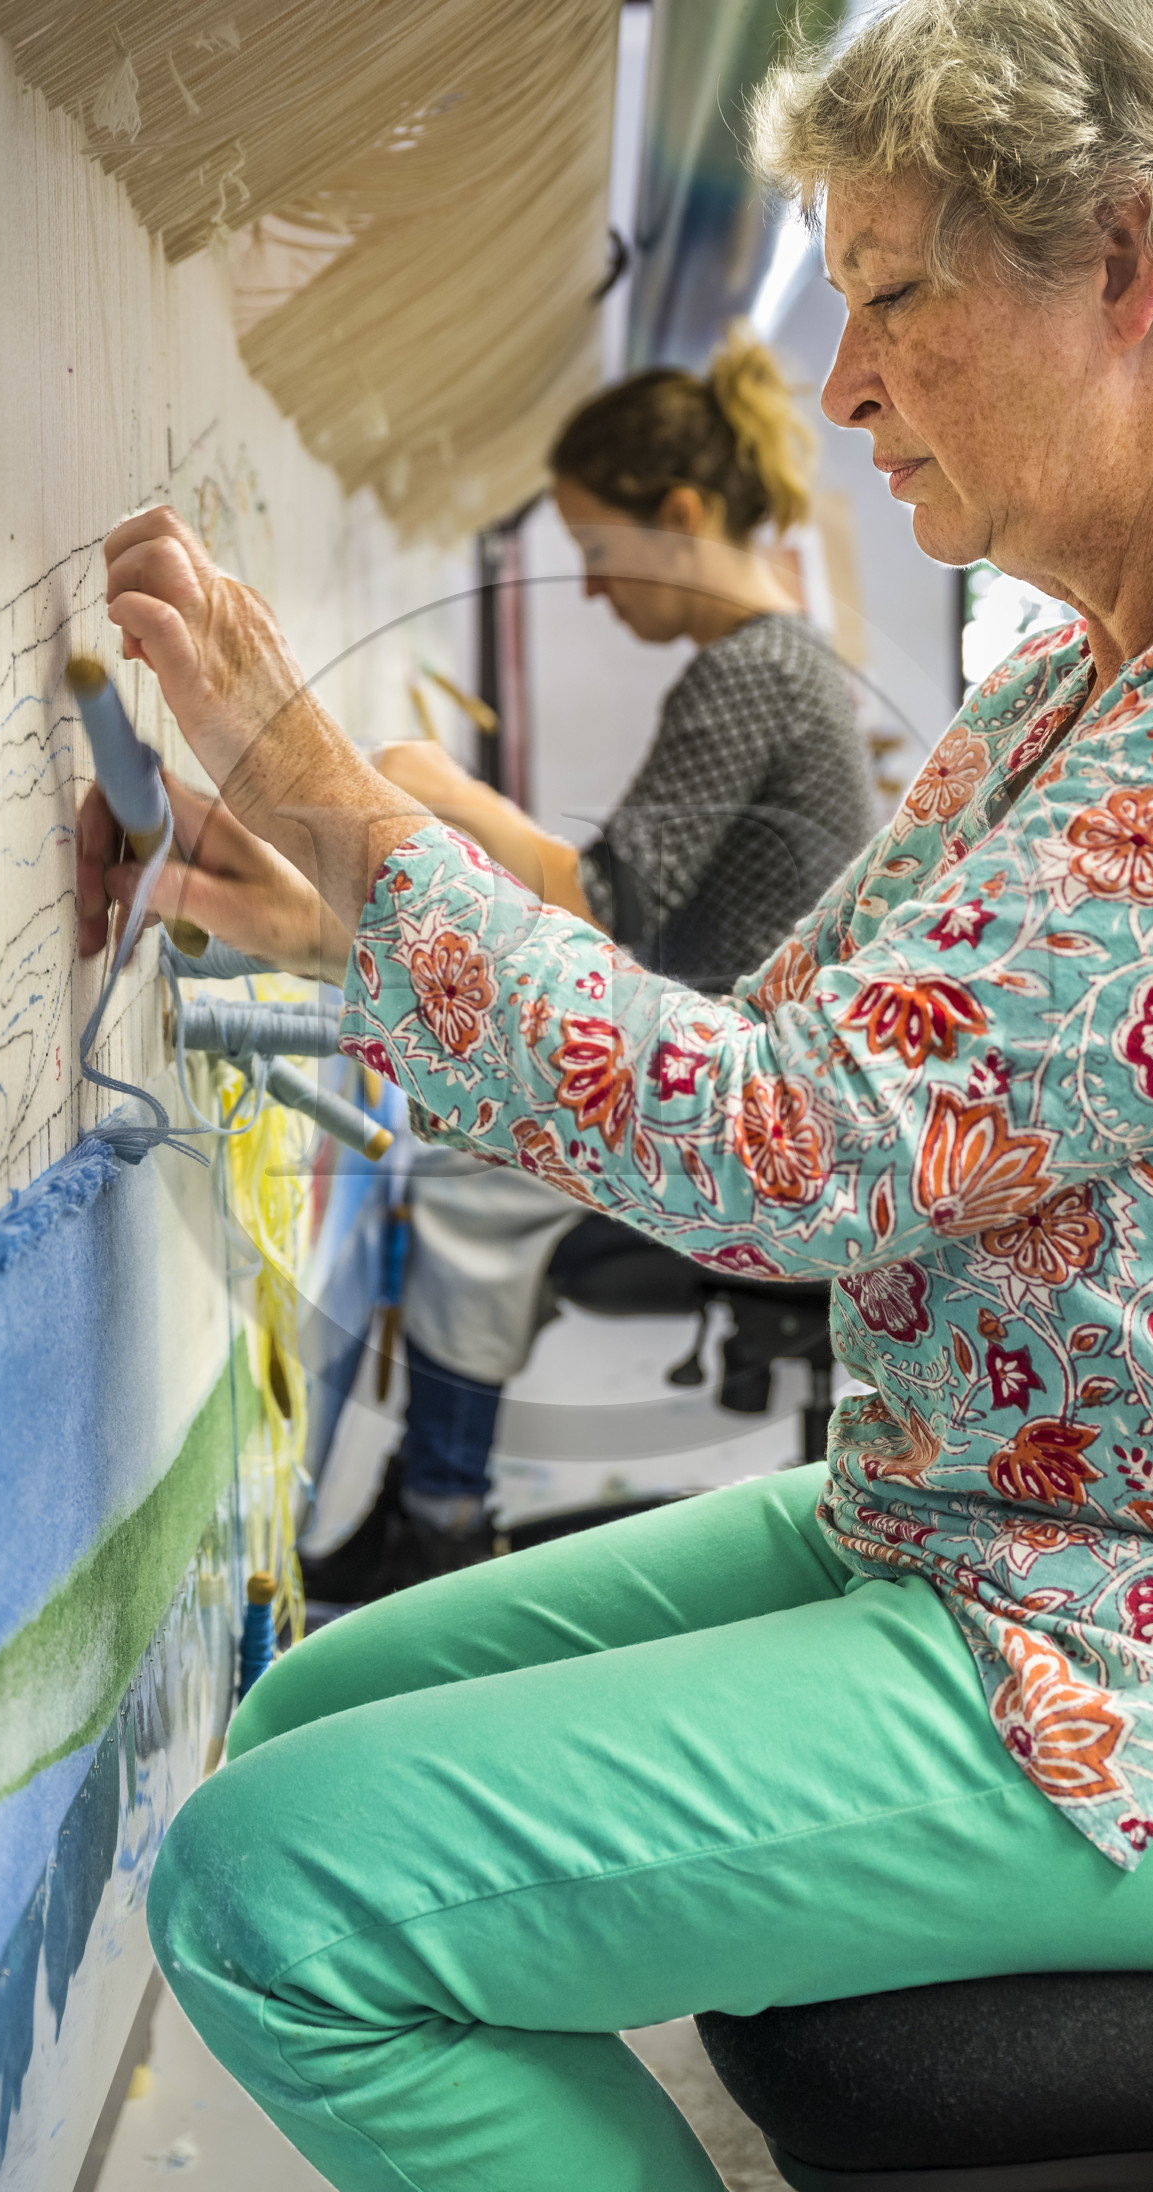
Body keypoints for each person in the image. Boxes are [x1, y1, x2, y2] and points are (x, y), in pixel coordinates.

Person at [78, 0, 1153, 2192]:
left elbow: (788, 1159)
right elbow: (762, 1049)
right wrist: (352, 917)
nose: (844, 388)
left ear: (1121, 264)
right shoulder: (1078, 678)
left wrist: (362, 823)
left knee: (272, 1893)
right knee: (314, 1710)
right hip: (988, 1515)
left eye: (886, 296)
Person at [306, 334, 875, 1598]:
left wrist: (441, 799)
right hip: (741, 1048)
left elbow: (606, 899)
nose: (590, 591)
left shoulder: (753, 674)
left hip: (743, 1090)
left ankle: (439, 1520)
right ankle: (431, 1500)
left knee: (466, 1178)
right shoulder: (778, 668)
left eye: (595, 548)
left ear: (677, 518)